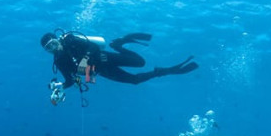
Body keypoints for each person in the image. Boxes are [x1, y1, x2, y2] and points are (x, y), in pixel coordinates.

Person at [40, 30, 198, 90]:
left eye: (53, 44)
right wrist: (59, 86)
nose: (53, 48)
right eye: (49, 48)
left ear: (57, 40)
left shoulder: (70, 40)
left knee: (140, 62)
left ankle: (119, 44)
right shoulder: (59, 61)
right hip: (101, 71)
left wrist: (86, 58)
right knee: (134, 81)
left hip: (104, 57)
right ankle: (161, 72)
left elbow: (93, 47)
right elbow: (70, 80)